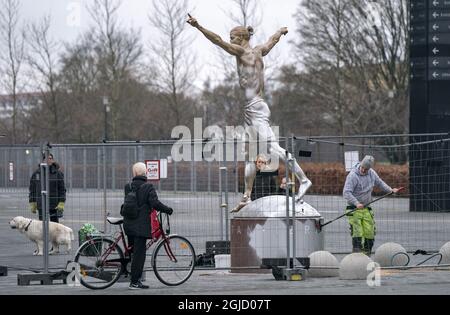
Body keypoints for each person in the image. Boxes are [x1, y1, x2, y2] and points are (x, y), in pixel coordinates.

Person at [187, 14, 312, 213]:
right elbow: (272, 41)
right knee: (249, 155)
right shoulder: (259, 51)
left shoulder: (241, 52)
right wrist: (280, 31)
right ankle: (246, 196)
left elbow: (217, 41)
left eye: (233, 37)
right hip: (252, 109)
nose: (231, 41)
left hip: (256, 108)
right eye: (230, 38)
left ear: (242, 38)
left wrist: (198, 26)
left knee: (274, 149)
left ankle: (304, 180)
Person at [123, 162, 173, 290]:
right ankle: (134, 282)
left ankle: (132, 275)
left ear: (134, 173)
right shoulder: (148, 187)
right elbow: (155, 203)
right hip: (140, 226)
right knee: (139, 255)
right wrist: (167, 209)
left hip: (128, 224)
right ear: (145, 173)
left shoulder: (128, 186)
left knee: (133, 253)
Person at [343, 156, 400, 256]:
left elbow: (380, 183)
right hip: (354, 208)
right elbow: (346, 192)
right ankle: (357, 254)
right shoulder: (352, 176)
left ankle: (367, 253)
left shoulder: (372, 173)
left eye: (366, 169)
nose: (364, 170)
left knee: (369, 231)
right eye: (363, 168)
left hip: (366, 208)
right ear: (360, 164)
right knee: (358, 231)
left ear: (370, 168)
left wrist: (391, 190)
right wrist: (357, 203)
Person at [29, 153, 66, 223]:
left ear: (53, 160)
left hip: (54, 204)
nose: (49, 160)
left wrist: (62, 202)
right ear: (42, 160)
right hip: (41, 203)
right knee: (42, 224)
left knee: (55, 226)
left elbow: (62, 189)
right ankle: (44, 234)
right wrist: (32, 202)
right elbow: (32, 189)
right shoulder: (36, 173)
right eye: (47, 158)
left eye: (50, 158)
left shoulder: (58, 173)